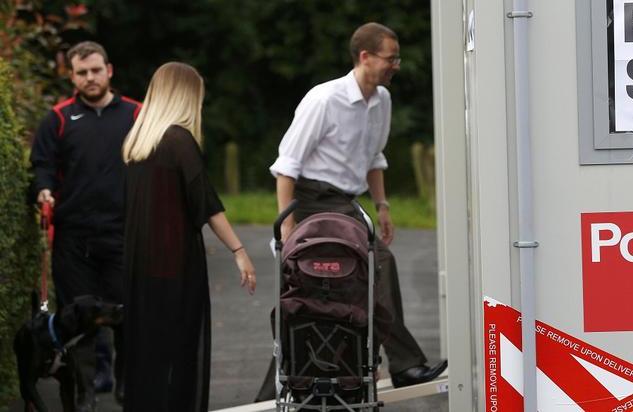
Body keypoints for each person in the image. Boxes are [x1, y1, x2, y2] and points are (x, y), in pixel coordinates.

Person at [270, 22, 447, 388]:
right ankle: (403, 365)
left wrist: (381, 206)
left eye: (397, 58)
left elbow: (374, 157)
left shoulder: (382, 100)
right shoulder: (324, 99)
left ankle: (345, 368)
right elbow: (286, 166)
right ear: (365, 57)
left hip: (346, 202)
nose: (396, 65)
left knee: (347, 282)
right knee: (376, 266)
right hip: (313, 200)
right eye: (390, 58)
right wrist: (286, 229)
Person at [121, 62, 256, 411]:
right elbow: (207, 204)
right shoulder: (179, 141)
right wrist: (239, 250)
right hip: (175, 268)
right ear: (185, 97)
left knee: (148, 354)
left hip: (142, 267)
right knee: (178, 356)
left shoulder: (139, 142)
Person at [30, 41, 140, 410]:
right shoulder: (58, 118)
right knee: (78, 322)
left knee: (126, 316)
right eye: (81, 72)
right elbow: (41, 164)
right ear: (72, 76)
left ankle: (127, 387)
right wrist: (43, 190)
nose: (89, 78)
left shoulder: (137, 115)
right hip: (73, 238)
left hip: (122, 235)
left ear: (109, 70)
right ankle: (85, 394)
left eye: (95, 70)